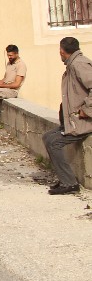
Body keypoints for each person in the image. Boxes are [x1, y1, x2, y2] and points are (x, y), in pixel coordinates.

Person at [44, 37, 92, 195]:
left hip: (83, 122)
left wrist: (86, 109)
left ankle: (70, 182)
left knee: (54, 142)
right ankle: (65, 178)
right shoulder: (73, 65)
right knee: (48, 137)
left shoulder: (80, 64)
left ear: (62, 51)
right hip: (73, 120)